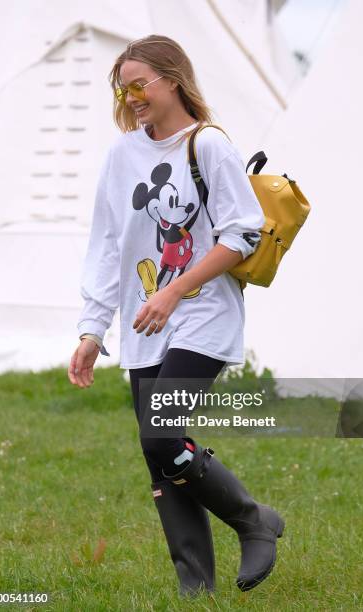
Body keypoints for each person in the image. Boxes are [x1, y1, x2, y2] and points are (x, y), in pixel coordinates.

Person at [68, 34, 284, 597]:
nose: (132, 96)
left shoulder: (209, 145)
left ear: (172, 79)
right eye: (124, 87)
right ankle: (196, 591)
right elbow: (108, 242)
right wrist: (93, 327)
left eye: (140, 84)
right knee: (157, 452)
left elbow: (242, 233)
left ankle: (251, 519)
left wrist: (173, 292)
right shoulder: (121, 154)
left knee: (161, 434)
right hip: (146, 323)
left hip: (203, 315)